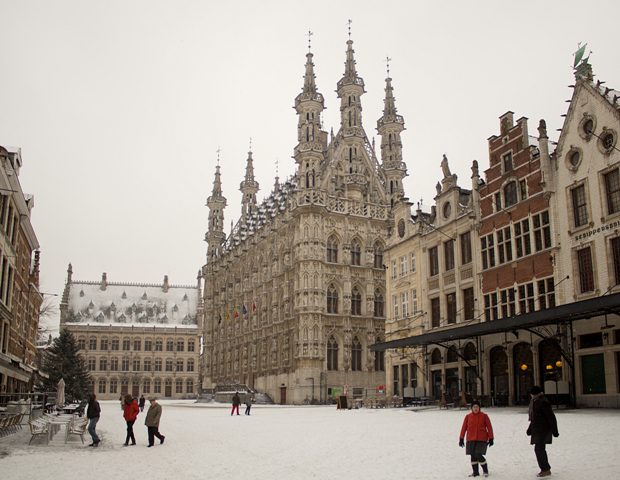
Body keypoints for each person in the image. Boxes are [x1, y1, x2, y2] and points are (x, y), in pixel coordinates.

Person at [527, 385, 559, 477]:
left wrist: (555, 431)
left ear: (535, 394)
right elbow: (535, 418)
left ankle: (545, 469)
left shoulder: (543, 402)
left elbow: (551, 417)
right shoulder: (536, 401)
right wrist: (530, 429)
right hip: (538, 429)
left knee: (539, 449)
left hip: (543, 430)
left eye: (532, 394)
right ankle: (545, 468)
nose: (531, 396)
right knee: (539, 449)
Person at [459, 400, 494, 477]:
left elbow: (489, 427)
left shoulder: (484, 416)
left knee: (478, 454)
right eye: (474, 407)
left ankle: (485, 470)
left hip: (482, 439)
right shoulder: (468, 417)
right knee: (472, 455)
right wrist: (461, 438)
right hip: (470, 438)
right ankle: (475, 472)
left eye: (477, 407)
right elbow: (463, 428)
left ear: (479, 408)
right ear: (471, 408)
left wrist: (491, 438)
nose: (476, 408)